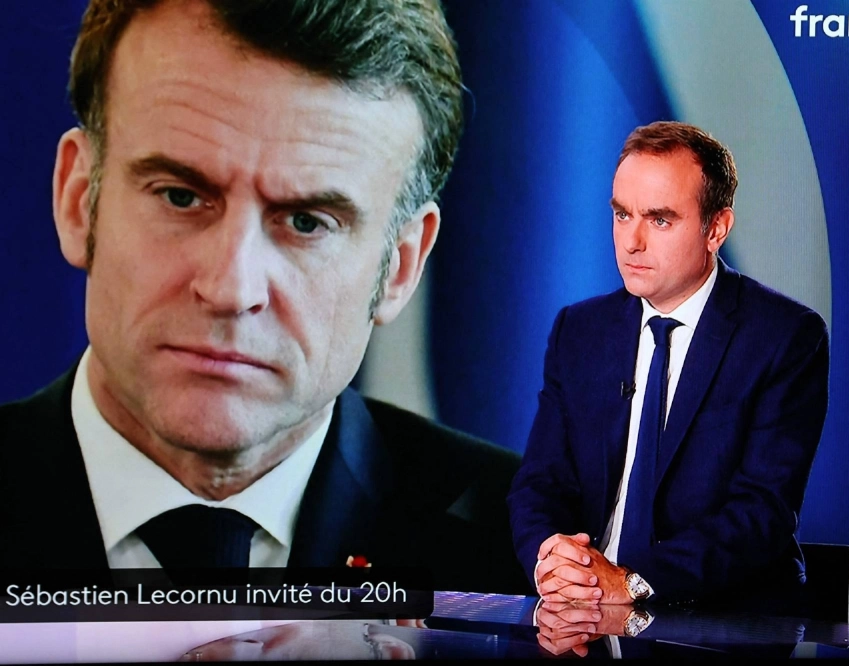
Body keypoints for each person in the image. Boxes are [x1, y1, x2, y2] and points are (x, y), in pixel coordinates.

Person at [0, 0, 526, 596]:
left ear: (400, 266)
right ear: (77, 199)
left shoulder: (541, 559)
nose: (230, 289)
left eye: (305, 222)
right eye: (179, 196)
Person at [508, 121, 830, 617]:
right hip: (584, 617)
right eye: (621, 214)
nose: (631, 241)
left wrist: (634, 583)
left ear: (716, 228)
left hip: (721, 620)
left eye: (659, 220)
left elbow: (761, 512)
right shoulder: (580, 330)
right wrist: (551, 557)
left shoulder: (784, 337)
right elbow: (540, 482)